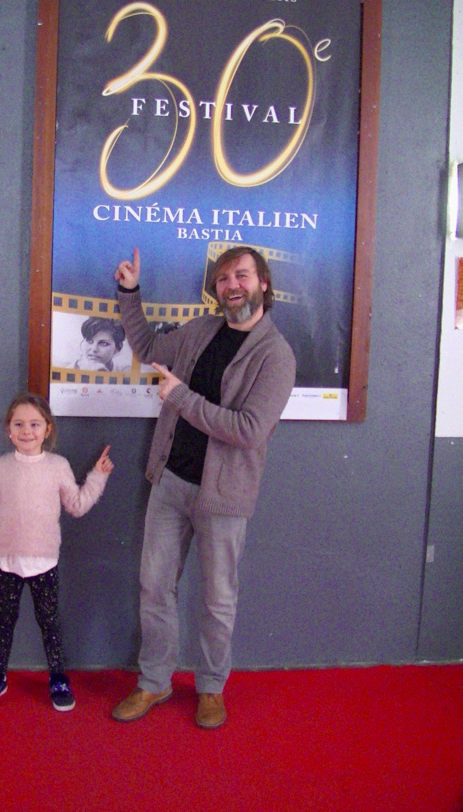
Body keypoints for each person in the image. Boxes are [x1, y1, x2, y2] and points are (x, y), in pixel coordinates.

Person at [111, 245, 296, 729]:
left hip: (225, 498)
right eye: (223, 279)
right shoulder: (201, 329)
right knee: (154, 588)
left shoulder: (276, 355)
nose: (232, 285)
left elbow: (248, 430)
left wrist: (180, 397)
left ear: (263, 284)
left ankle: (211, 688)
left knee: (218, 600)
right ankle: (154, 681)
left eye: (242, 276)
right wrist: (129, 293)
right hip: (170, 482)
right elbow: (149, 349)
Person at [0, 391, 114, 712]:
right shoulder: (1, 466)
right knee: (4, 622)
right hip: (7, 562)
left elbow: (77, 504)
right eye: (19, 424)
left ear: (47, 428)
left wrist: (98, 476)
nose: (27, 431)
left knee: (49, 623)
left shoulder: (58, 466)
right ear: (9, 430)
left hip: (44, 563)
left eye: (35, 424)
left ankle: (58, 678)